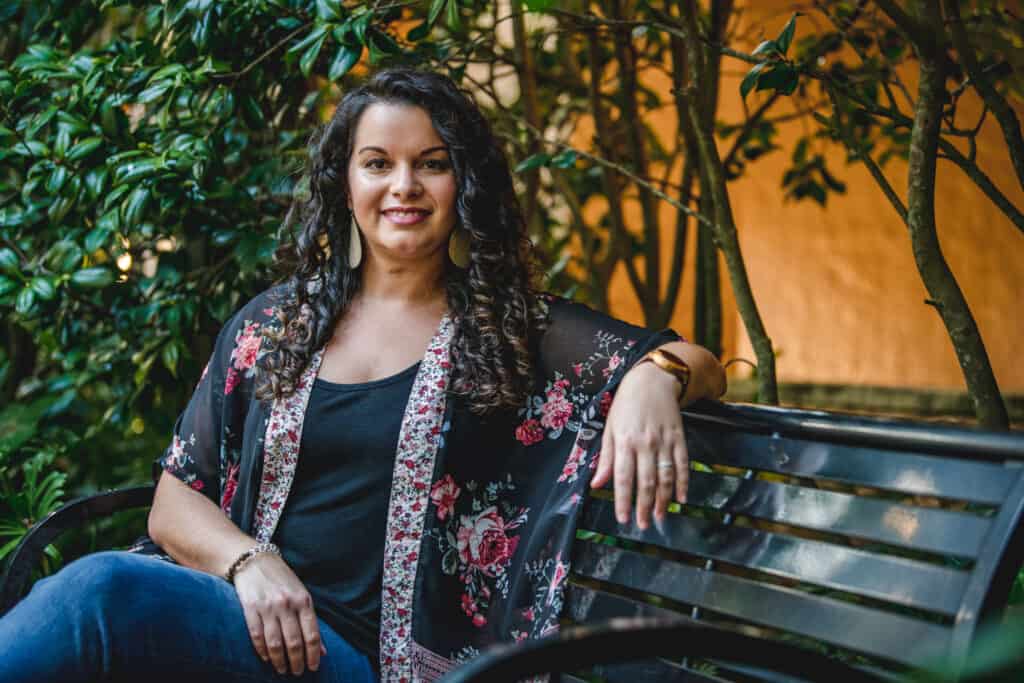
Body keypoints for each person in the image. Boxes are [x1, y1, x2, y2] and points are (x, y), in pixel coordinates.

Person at [0, 68, 726, 682]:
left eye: (431, 162)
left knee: (103, 593)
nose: (403, 185)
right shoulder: (278, 324)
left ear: (461, 182)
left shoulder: (510, 327)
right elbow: (173, 500)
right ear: (345, 182)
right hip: (248, 616)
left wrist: (650, 377)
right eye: (378, 162)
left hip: (373, 661)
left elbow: (703, 364)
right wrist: (249, 562)